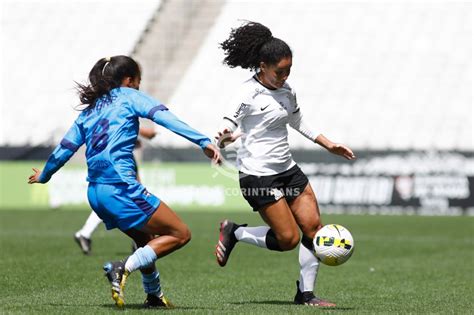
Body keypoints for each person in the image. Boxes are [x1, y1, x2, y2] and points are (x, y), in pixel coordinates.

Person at [28, 55, 221, 308]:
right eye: (138, 82)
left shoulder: (91, 110)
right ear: (129, 80)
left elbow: (66, 146)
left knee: (146, 239)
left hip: (96, 193)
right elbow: (165, 117)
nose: (139, 87)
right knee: (180, 233)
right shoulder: (128, 96)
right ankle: (122, 267)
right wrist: (203, 141)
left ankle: (154, 295)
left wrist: (45, 174)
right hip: (121, 188)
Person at [214, 21, 356, 307]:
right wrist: (223, 137)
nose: (285, 75)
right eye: (280, 71)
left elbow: (297, 119)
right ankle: (235, 232)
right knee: (288, 239)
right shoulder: (246, 94)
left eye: (289, 70)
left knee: (314, 228)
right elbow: (228, 124)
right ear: (263, 66)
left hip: (288, 170)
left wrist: (328, 144)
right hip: (258, 175)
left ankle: (306, 295)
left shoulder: (286, 89)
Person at [74, 126, 157, 255]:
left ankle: (85, 233)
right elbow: (149, 133)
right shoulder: (122, 111)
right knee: (128, 196)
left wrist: (134, 141)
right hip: (117, 159)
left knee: (114, 199)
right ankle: (140, 240)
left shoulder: (104, 113)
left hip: (108, 158)